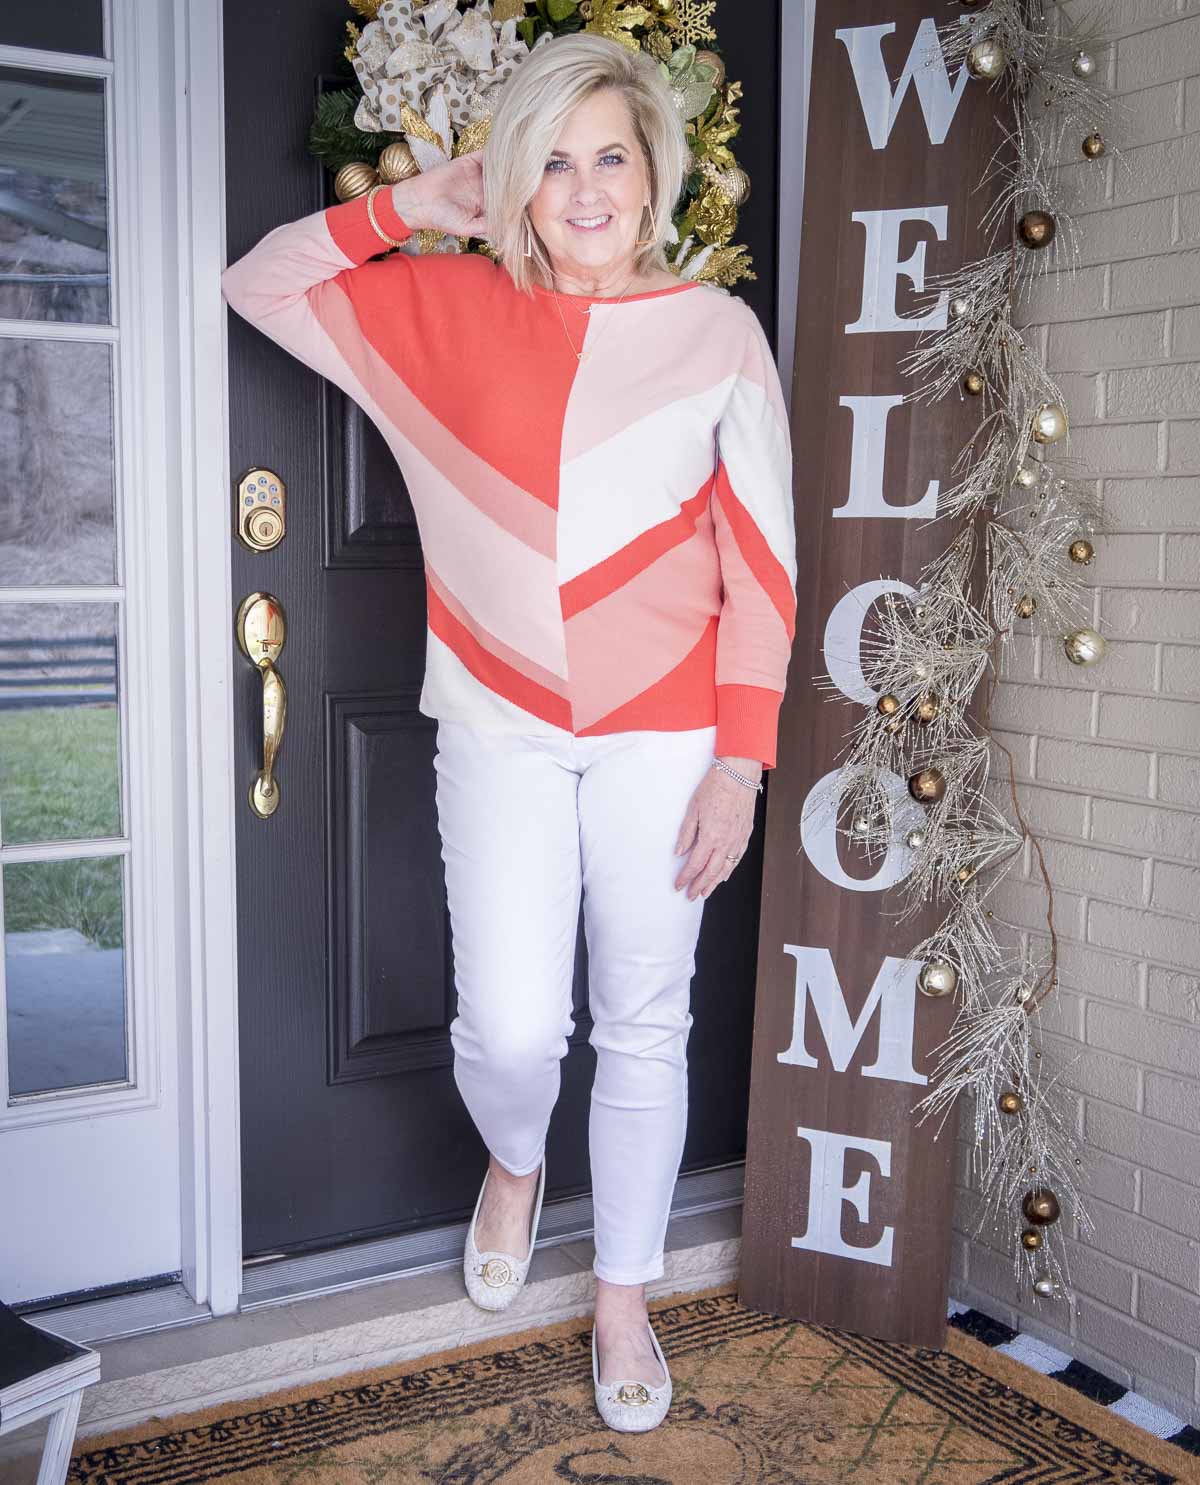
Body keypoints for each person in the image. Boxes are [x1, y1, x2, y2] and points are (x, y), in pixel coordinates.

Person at [221, 31, 796, 1435]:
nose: (588, 188)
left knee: (647, 1020)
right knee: (516, 1028)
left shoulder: (717, 332)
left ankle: (621, 1291)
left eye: (614, 155)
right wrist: (413, 206)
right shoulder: (439, 306)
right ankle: (519, 1159)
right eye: (556, 161)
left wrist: (742, 757)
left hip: (669, 733)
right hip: (495, 719)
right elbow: (262, 282)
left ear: (654, 169)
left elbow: (763, 561)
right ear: (516, 179)